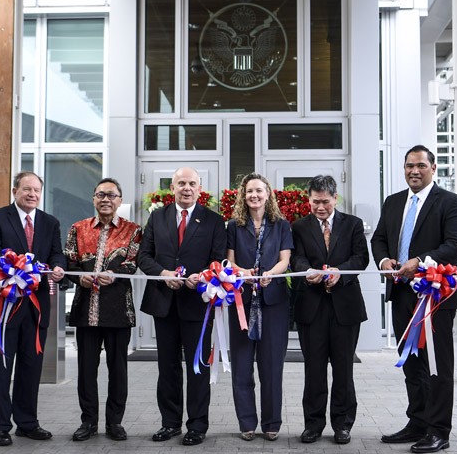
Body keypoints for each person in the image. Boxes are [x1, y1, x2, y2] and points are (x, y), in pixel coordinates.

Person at [371, 145, 457, 454]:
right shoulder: (393, 202)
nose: (414, 171)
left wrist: (420, 261)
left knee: (438, 366)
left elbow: (456, 244)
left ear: (433, 167)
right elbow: (379, 239)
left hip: (435, 296)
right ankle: (418, 422)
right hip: (400, 294)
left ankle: (439, 430)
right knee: (412, 364)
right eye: (409, 166)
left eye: (420, 166)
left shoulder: (453, 203)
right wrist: (385, 260)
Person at [137, 167, 226, 446]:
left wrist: (200, 277)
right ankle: (170, 423)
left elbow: (218, 258)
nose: (186, 188)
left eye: (192, 184)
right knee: (168, 366)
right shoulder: (157, 216)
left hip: (197, 303)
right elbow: (144, 255)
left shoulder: (214, 220)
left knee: (197, 367)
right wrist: (163, 274)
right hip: (164, 302)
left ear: (200, 188)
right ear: (172, 188)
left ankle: (197, 425)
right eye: (181, 183)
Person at [0, 171, 66, 447]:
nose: (32, 194)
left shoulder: (50, 222)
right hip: (2, 308)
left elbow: (56, 252)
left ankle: (27, 423)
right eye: (27, 189)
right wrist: (20, 268)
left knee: (31, 367)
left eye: (37, 190)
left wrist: (58, 266)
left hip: (35, 308)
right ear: (15, 190)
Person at [291, 175, 369, 445]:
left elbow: (361, 258)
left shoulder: (353, 224)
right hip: (311, 306)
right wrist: (307, 271)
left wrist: (340, 272)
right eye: (315, 202)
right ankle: (313, 424)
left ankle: (343, 424)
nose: (320, 207)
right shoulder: (299, 227)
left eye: (325, 201)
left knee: (343, 369)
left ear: (336, 198)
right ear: (309, 200)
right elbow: (295, 258)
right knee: (313, 369)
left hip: (345, 307)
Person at [63, 178, 142, 442]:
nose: (106, 199)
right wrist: (78, 278)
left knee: (118, 369)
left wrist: (114, 273)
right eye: (100, 194)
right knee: (86, 370)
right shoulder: (78, 228)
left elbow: (133, 263)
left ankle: (115, 423)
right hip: (85, 309)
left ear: (120, 199)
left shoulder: (133, 230)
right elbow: (69, 262)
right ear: (93, 198)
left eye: (111, 195)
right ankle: (88, 422)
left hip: (118, 310)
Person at [225, 173, 293, 442]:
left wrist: (269, 274)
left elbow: (285, 260)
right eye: (249, 191)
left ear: (268, 194)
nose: (254, 195)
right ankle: (247, 422)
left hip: (272, 301)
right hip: (240, 300)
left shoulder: (282, 225)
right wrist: (243, 272)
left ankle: (271, 422)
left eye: (259, 191)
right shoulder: (233, 225)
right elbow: (229, 262)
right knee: (242, 365)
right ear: (243, 195)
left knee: (271, 366)